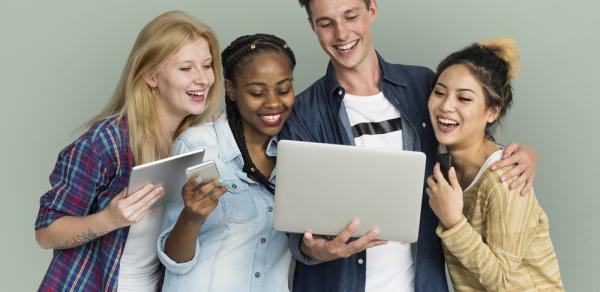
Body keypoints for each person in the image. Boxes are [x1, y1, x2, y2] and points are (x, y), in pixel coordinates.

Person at [279, 0, 539, 291]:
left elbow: (466, 135)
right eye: (326, 23)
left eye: (351, 16)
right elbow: (296, 221)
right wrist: (316, 250)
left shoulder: (423, 86)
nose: (341, 33)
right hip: (336, 282)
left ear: (372, 9)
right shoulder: (303, 112)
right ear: (313, 27)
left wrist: (521, 154)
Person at [34, 11, 222, 291]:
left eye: (207, 66)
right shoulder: (105, 143)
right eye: (186, 68)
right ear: (151, 76)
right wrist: (109, 219)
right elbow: (46, 233)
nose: (203, 79)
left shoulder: (202, 140)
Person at [157, 33, 296, 291]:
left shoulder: (298, 155)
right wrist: (191, 216)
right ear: (231, 90)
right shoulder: (194, 145)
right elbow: (173, 260)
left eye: (284, 89)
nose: (274, 102)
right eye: (257, 92)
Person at [426, 38, 564, 291]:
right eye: (439, 92)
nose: (446, 106)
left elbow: (503, 282)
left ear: (492, 112)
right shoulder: (442, 162)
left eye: (464, 99)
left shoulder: (505, 180)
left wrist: (454, 222)